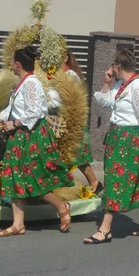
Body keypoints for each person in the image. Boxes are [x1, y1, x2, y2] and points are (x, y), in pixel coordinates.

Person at [0, 47, 74, 237]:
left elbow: (35, 111)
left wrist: (13, 124)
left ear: (17, 64)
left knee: (32, 178)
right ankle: (18, 224)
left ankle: (61, 205)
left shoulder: (31, 83)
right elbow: (11, 110)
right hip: (19, 136)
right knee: (15, 178)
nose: (11, 65)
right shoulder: (22, 84)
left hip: (31, 135)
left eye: (13, 61)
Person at [84, 50, 139, 245]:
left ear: (118, 66)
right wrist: (107, 83)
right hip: (118, 136)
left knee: (117, 181)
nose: (111, 69)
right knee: (133, 181)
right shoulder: (121, 85)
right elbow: (105, 103)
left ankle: (105, 228)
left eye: (112, 66)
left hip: (130, 139)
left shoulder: (138, 87)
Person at [53, 50, 101, 193]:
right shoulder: (61, 76)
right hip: (63, 121)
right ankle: (91, 183)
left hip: (72, 121)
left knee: (78, 157)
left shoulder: (71, 76)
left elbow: (70, 100)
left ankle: (94, 183)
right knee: (72, 157)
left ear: (66, 58)